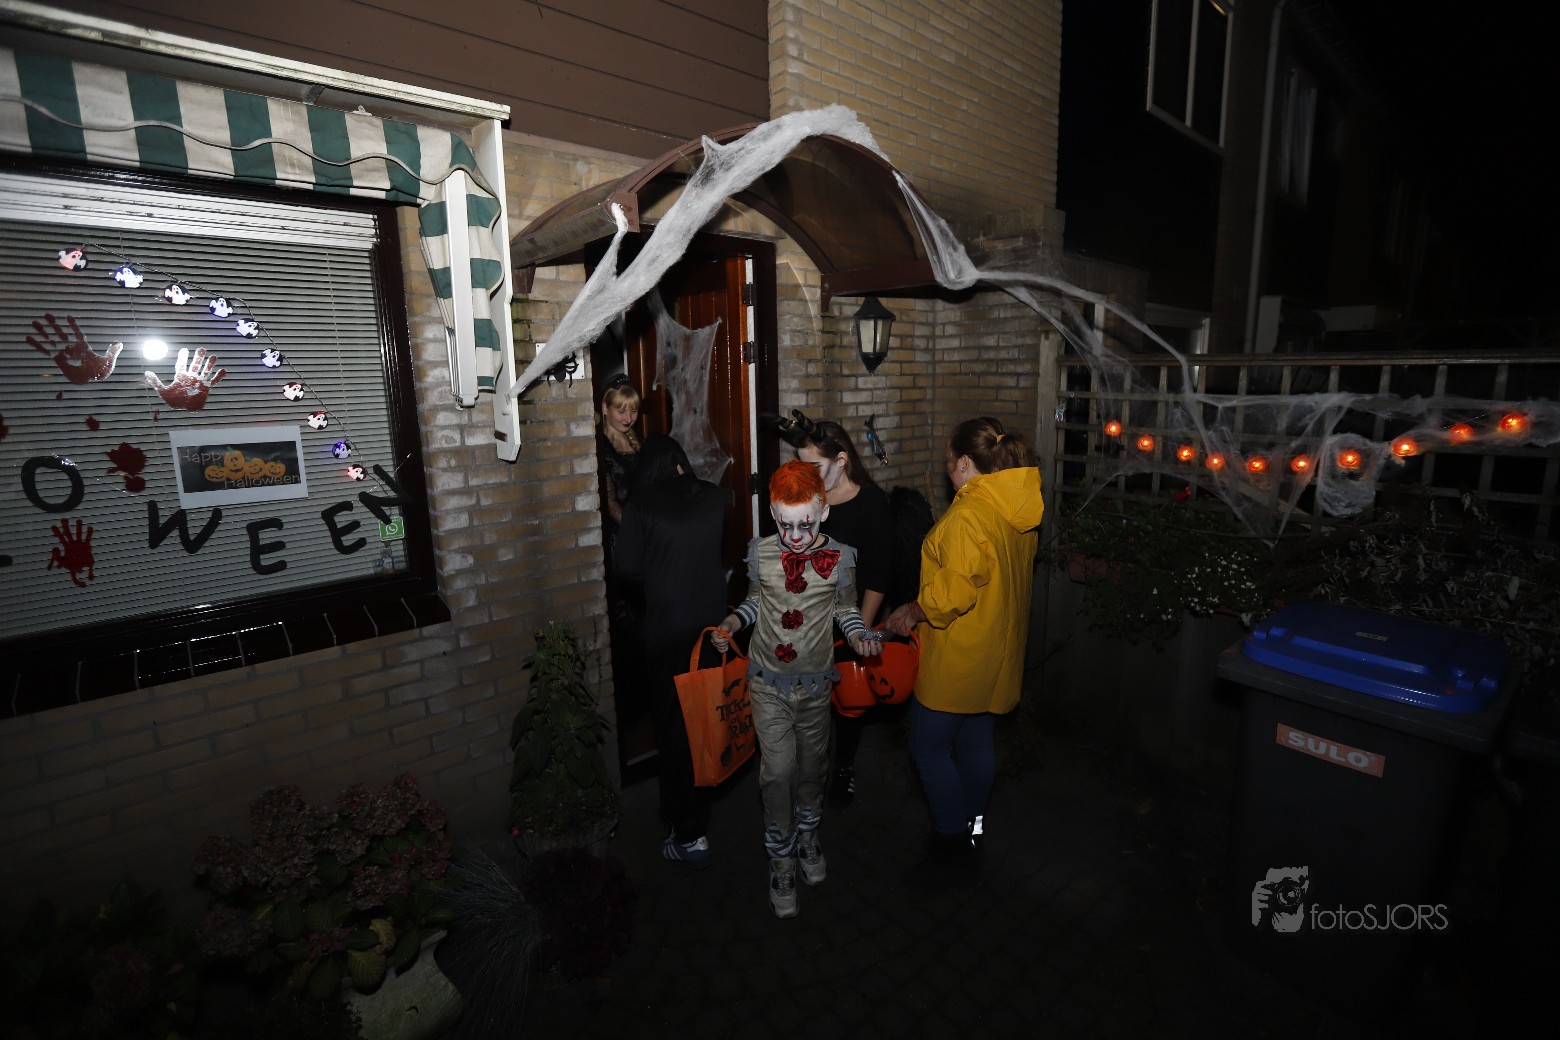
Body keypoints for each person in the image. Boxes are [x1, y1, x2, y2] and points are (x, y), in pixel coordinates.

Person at [710, 460, 882, 918]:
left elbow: (845, 610)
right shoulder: (761, 552)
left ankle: (807, 835)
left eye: (806, 524)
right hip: (767, 683)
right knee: (777, 772)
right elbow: (753, 602)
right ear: (772, 514)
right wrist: (732, 623)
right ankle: (780, 857)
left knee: (811, 769)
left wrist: (859, 635)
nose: (796, 536)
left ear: (823, 512)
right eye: (785, 525)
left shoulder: (841, 557)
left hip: (815, 686)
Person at [886, 417, 1043, 893]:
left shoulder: (968, 517)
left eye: (949, 463)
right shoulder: (1016, 507)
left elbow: (952, 593)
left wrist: (913, 610)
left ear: (966, 463)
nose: (946, 471)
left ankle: (952, 845)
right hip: (996, 654)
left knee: (927, 749)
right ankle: (973, 831)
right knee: (976, 746)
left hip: (959, 658)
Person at [612, 434, 728, 869]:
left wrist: (658, 579)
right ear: (680, 462)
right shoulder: (713, 497)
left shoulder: (641, 504)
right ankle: (706, 799)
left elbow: (626, 569)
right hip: (712, 630)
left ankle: (690, 833)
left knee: (674, 729)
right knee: (706, 717)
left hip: (667, 632)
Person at [786, 415, 893, 808]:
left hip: (850, 618)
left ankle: (844, 766)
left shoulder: (872, 504)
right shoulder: (807, 499)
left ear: (842, 459)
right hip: (808, 620)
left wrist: (859, 630)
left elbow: (879, 575)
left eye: (814, 466)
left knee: (849, 701)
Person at [596, 374, 642, 540]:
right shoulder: (600, 448)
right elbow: (609, 503)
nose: (629, 418)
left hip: (646, 524)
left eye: (634, 411)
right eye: (621, 411)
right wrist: (635, 531)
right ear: (605, 408)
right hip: (622, 534)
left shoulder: (640, 442)